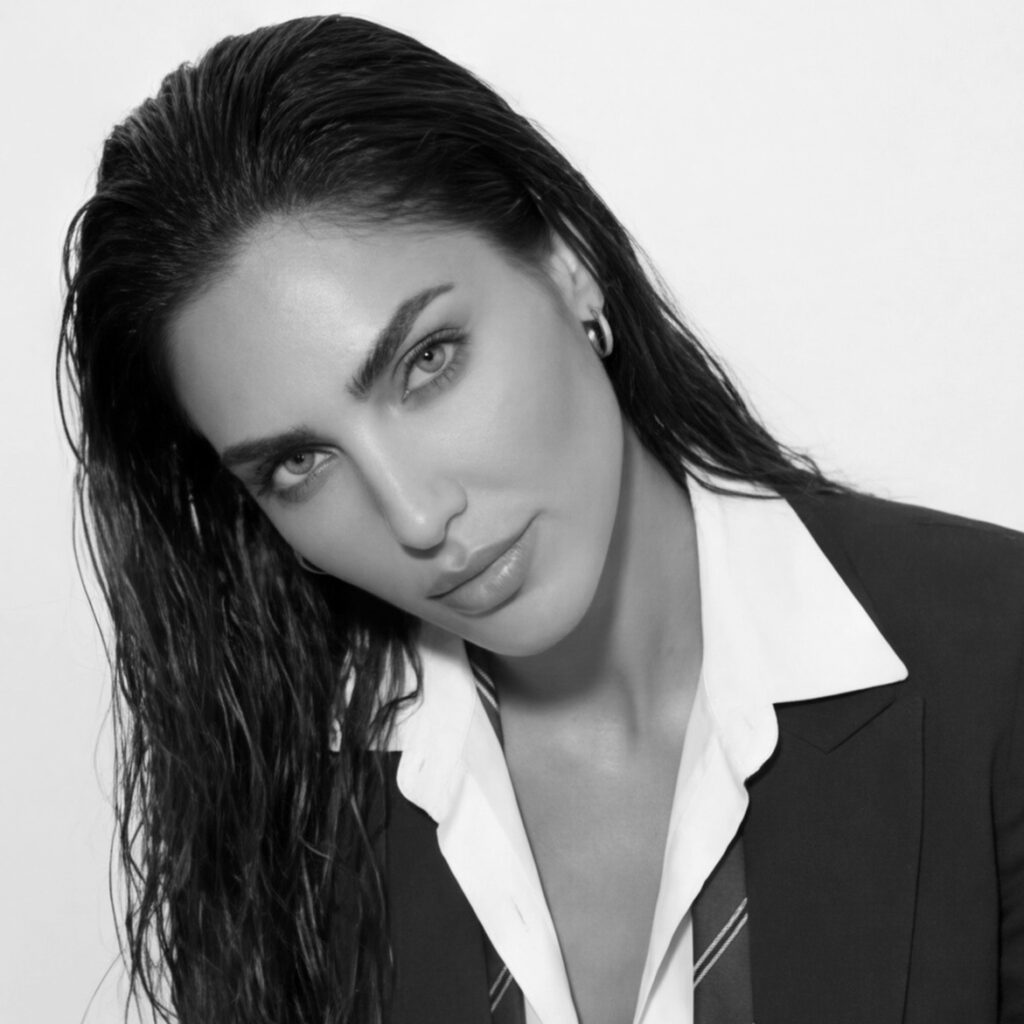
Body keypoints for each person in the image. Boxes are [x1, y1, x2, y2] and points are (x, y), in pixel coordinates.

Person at [58, 14, 1023, 1024]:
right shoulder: (281, 811)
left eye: (427, 362)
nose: (417, 515)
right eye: (299, 463)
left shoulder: (995, 662)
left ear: (568, 264)